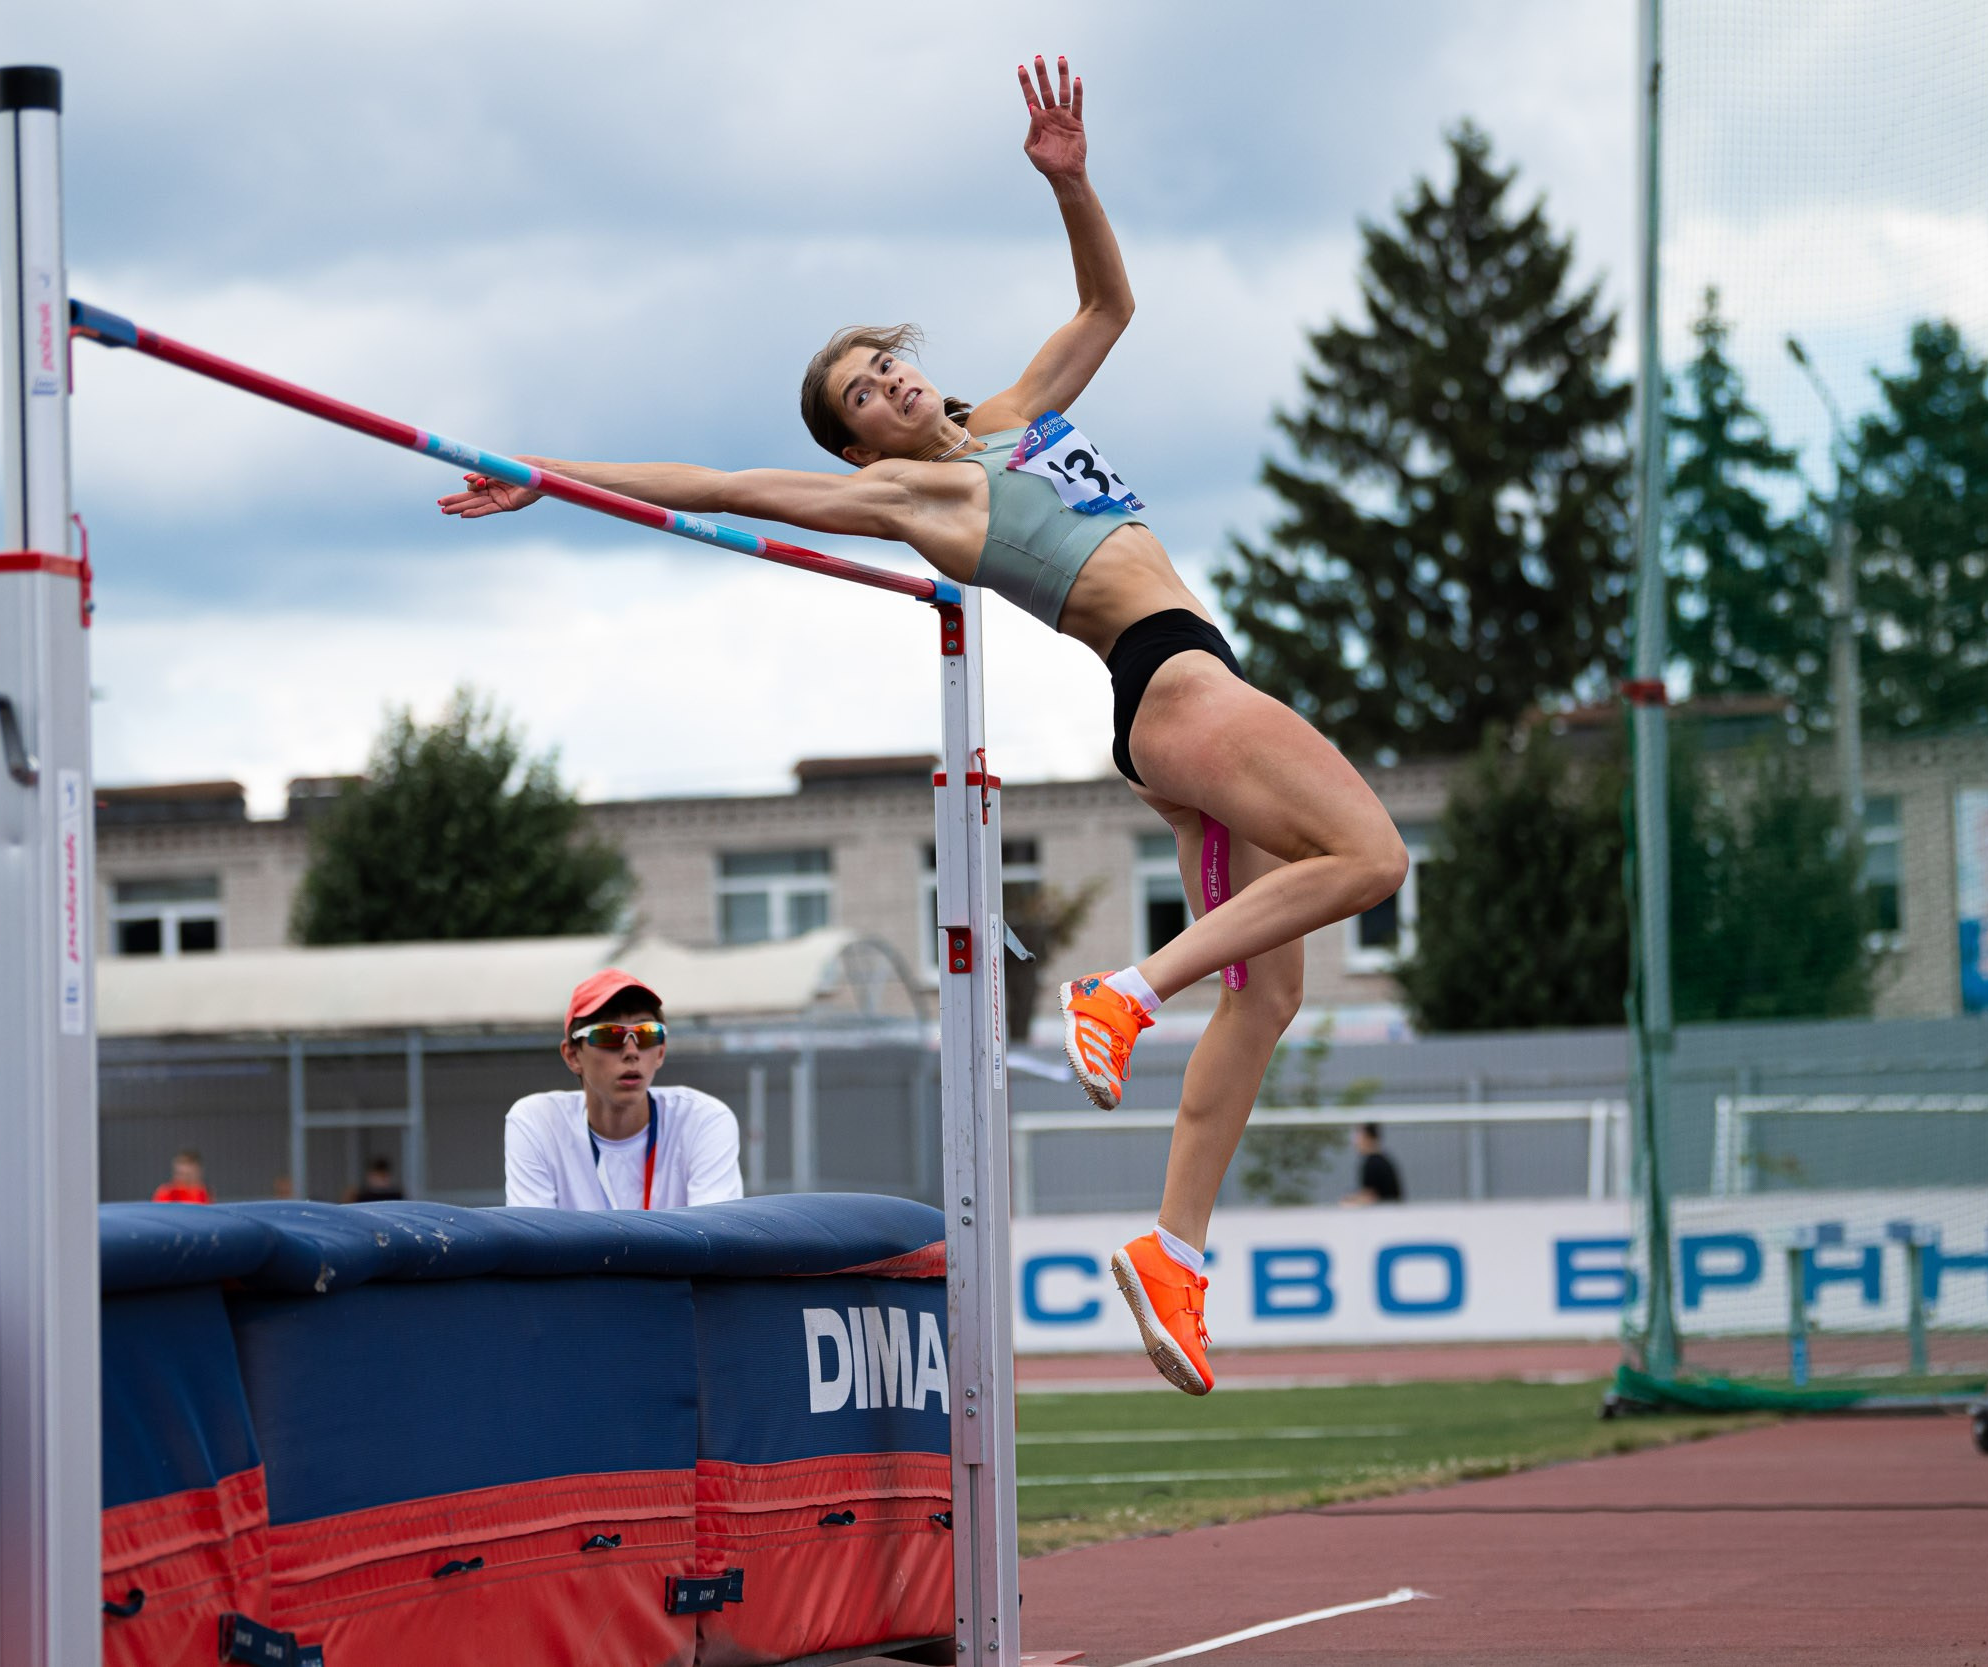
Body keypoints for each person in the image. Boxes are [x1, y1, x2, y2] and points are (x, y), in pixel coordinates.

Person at [440, 55, 1404, 1393]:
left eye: (886, 366)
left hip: (1174, 697)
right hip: (1175, 678)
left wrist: (1071, 182)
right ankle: (1123, 989)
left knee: (1274, 988)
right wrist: (549, 475)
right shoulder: (919, 502)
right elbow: (720, 482)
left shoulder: (1013, 417)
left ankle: (1173, 1250)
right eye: (860, 398)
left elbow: (1109, 301)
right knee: (1371, 859)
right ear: (859, 451)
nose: (886, 387)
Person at [504, 970, 744, 1210]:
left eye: (647, 1034)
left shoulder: (702, 1119)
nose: (631, 1051)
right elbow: (534, 1244)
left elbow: (715, 1242)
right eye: (609, 1034)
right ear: (572, 1055)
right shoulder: (539, 1121)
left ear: (660, 1052)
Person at [1343, 1122, 1404, 1205]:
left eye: (1358, 1135)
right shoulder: (1382, 1161)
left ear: (1367, 1137)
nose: (1355, 1141)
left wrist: (1347, 1203)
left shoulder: (1373, 1163)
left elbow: (1369, 1197)